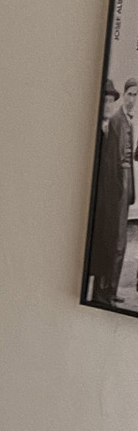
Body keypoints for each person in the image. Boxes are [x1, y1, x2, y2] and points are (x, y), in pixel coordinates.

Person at [96, 75, 138, 306]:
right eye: (129, 94)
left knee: (121, 242)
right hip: (116, 184)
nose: (132, 99)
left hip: (127, 182)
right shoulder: (116, 120)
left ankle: (112, 290)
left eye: (136, 96)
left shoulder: (129, 121)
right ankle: (104, 292)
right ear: (125, 95)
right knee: (113, 240)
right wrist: (117, 190)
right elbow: (113, 160)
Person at [89, 78, 122, 305]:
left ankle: (100, 297)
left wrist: (117, 193)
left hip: (109, 204)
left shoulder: (114, 132)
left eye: (111, 101)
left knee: (106, 250)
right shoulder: (92, 133)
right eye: (105, 101)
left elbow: (118, 167)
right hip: (95, 204)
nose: (108, 105)